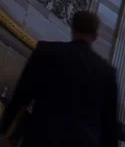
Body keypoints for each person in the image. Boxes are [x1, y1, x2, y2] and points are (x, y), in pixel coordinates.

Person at [0, 11, 118, 147]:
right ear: (95, 36)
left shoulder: (46, 51)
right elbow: (109, 128)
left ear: (73, 28)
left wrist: (4, 132)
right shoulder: (107, 72)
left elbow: (20, 97)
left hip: (41, 138)